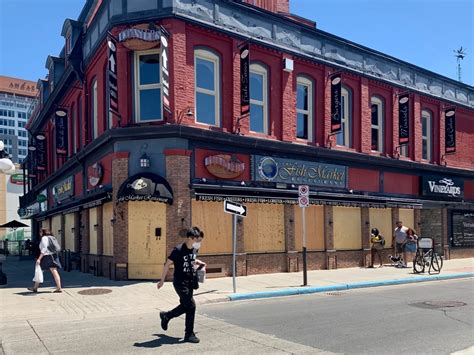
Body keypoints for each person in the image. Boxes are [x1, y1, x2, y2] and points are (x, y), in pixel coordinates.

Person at [157, 227, 206, 343]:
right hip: (180, 282)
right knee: (191, 306)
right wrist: (162, 280)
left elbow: (191, 261)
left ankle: (167, 316)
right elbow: (167, 264)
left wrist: (200, 263)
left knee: (186, 306)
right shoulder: (178, 250)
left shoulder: (194, 250)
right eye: (197, 239)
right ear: (190, 238)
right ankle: (189, 334)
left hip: (190, 282)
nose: (198, 242)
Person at [28, 229, 62, 293]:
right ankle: (59, 287)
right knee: (54, 271)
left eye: (40, 232)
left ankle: (35, 288)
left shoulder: (44, 238)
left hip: (47, 257)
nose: (40, 233)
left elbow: (44, 249)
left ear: (43, 232)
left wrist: (39, 258)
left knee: (39, 270)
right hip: (54, 256)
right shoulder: (52, 237)